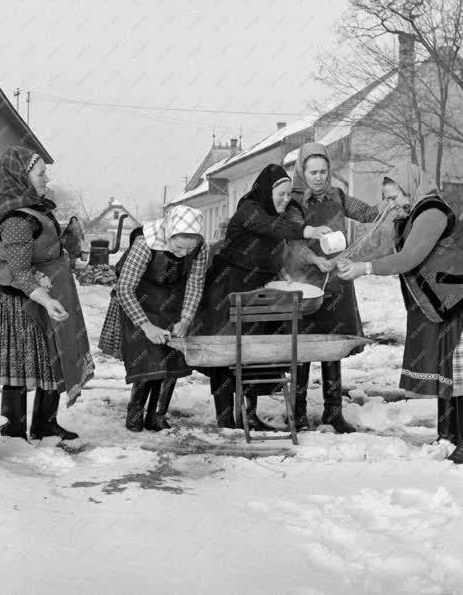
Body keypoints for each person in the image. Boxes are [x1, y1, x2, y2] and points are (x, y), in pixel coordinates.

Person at [338, 162, 463, 463]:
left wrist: (366, 268)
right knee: (448, 369)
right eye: (387, 198)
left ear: (410, 188)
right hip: (450, 299)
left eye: (394, 197)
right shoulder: (410, 215)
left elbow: (409, 258)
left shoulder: (431, 213)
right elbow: (401, 256)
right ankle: (448, 436)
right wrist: (360, 260)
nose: (390, 204)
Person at [0, 147, 94, 441]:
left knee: (50, 359)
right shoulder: (16, 220)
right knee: (20, 365)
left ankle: (44, 424)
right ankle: (13, 430)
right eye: (41, 174)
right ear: (20, 177)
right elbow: (20, 271)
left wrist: (69, 238)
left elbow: (43, 249)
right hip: (16, 302)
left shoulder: (35, 210)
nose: (46, 179)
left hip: (40, 295)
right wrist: (47, 299)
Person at [196, 164, 332, 429]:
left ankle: (249, 414)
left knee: (254, 351)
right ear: (265, 191)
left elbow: (270, 251)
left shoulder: (273, 212)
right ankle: (225, 419)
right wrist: (310, 231)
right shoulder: (249, 210)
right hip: (228, 287)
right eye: (280, 193)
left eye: (289, 193)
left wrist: (283, 273)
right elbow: (272, 228)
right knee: (226, 352)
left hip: (260, 290)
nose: (286, 199)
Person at [288, 143, 379, 433]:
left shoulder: (337, 196)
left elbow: (365, 213)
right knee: (301, 347)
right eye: (312, 172)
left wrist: (389, 204)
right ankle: (298, 413)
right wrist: (314, 258)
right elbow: (292, 241)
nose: (318, 177)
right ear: (302, 171)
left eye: (323, 171)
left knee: (332, 345)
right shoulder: (293, 203)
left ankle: (333, 411)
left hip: (336, 281)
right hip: (303, 282)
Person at [98, 205, 207, 432]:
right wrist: (146, 326)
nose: (183, 254)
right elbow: (124, 289)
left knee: (170, 357)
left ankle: (157, 414)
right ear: (168, 234)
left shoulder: (199, 247)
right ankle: (135, 412)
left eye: (188, 249)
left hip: (173, 302)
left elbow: (195, 284)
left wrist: (186, 319)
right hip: (140, 301)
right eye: (178, 247)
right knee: (147, 357)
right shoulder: (145, 244)